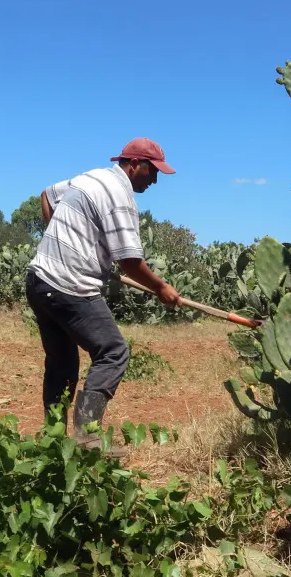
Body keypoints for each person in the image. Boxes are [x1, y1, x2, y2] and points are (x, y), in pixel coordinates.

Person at [25, 138, 181, 454]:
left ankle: (53, 442)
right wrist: (161, 287)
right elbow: (130, 262)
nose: (154, 180)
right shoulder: (120, 197)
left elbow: (48, 195)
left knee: (62, 364)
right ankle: (87, 438)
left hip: (40, 281)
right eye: (152, 172)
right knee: (113, 351)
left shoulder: (90, 177)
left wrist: (66, 242)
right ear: (134, 164)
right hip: (71, 287)